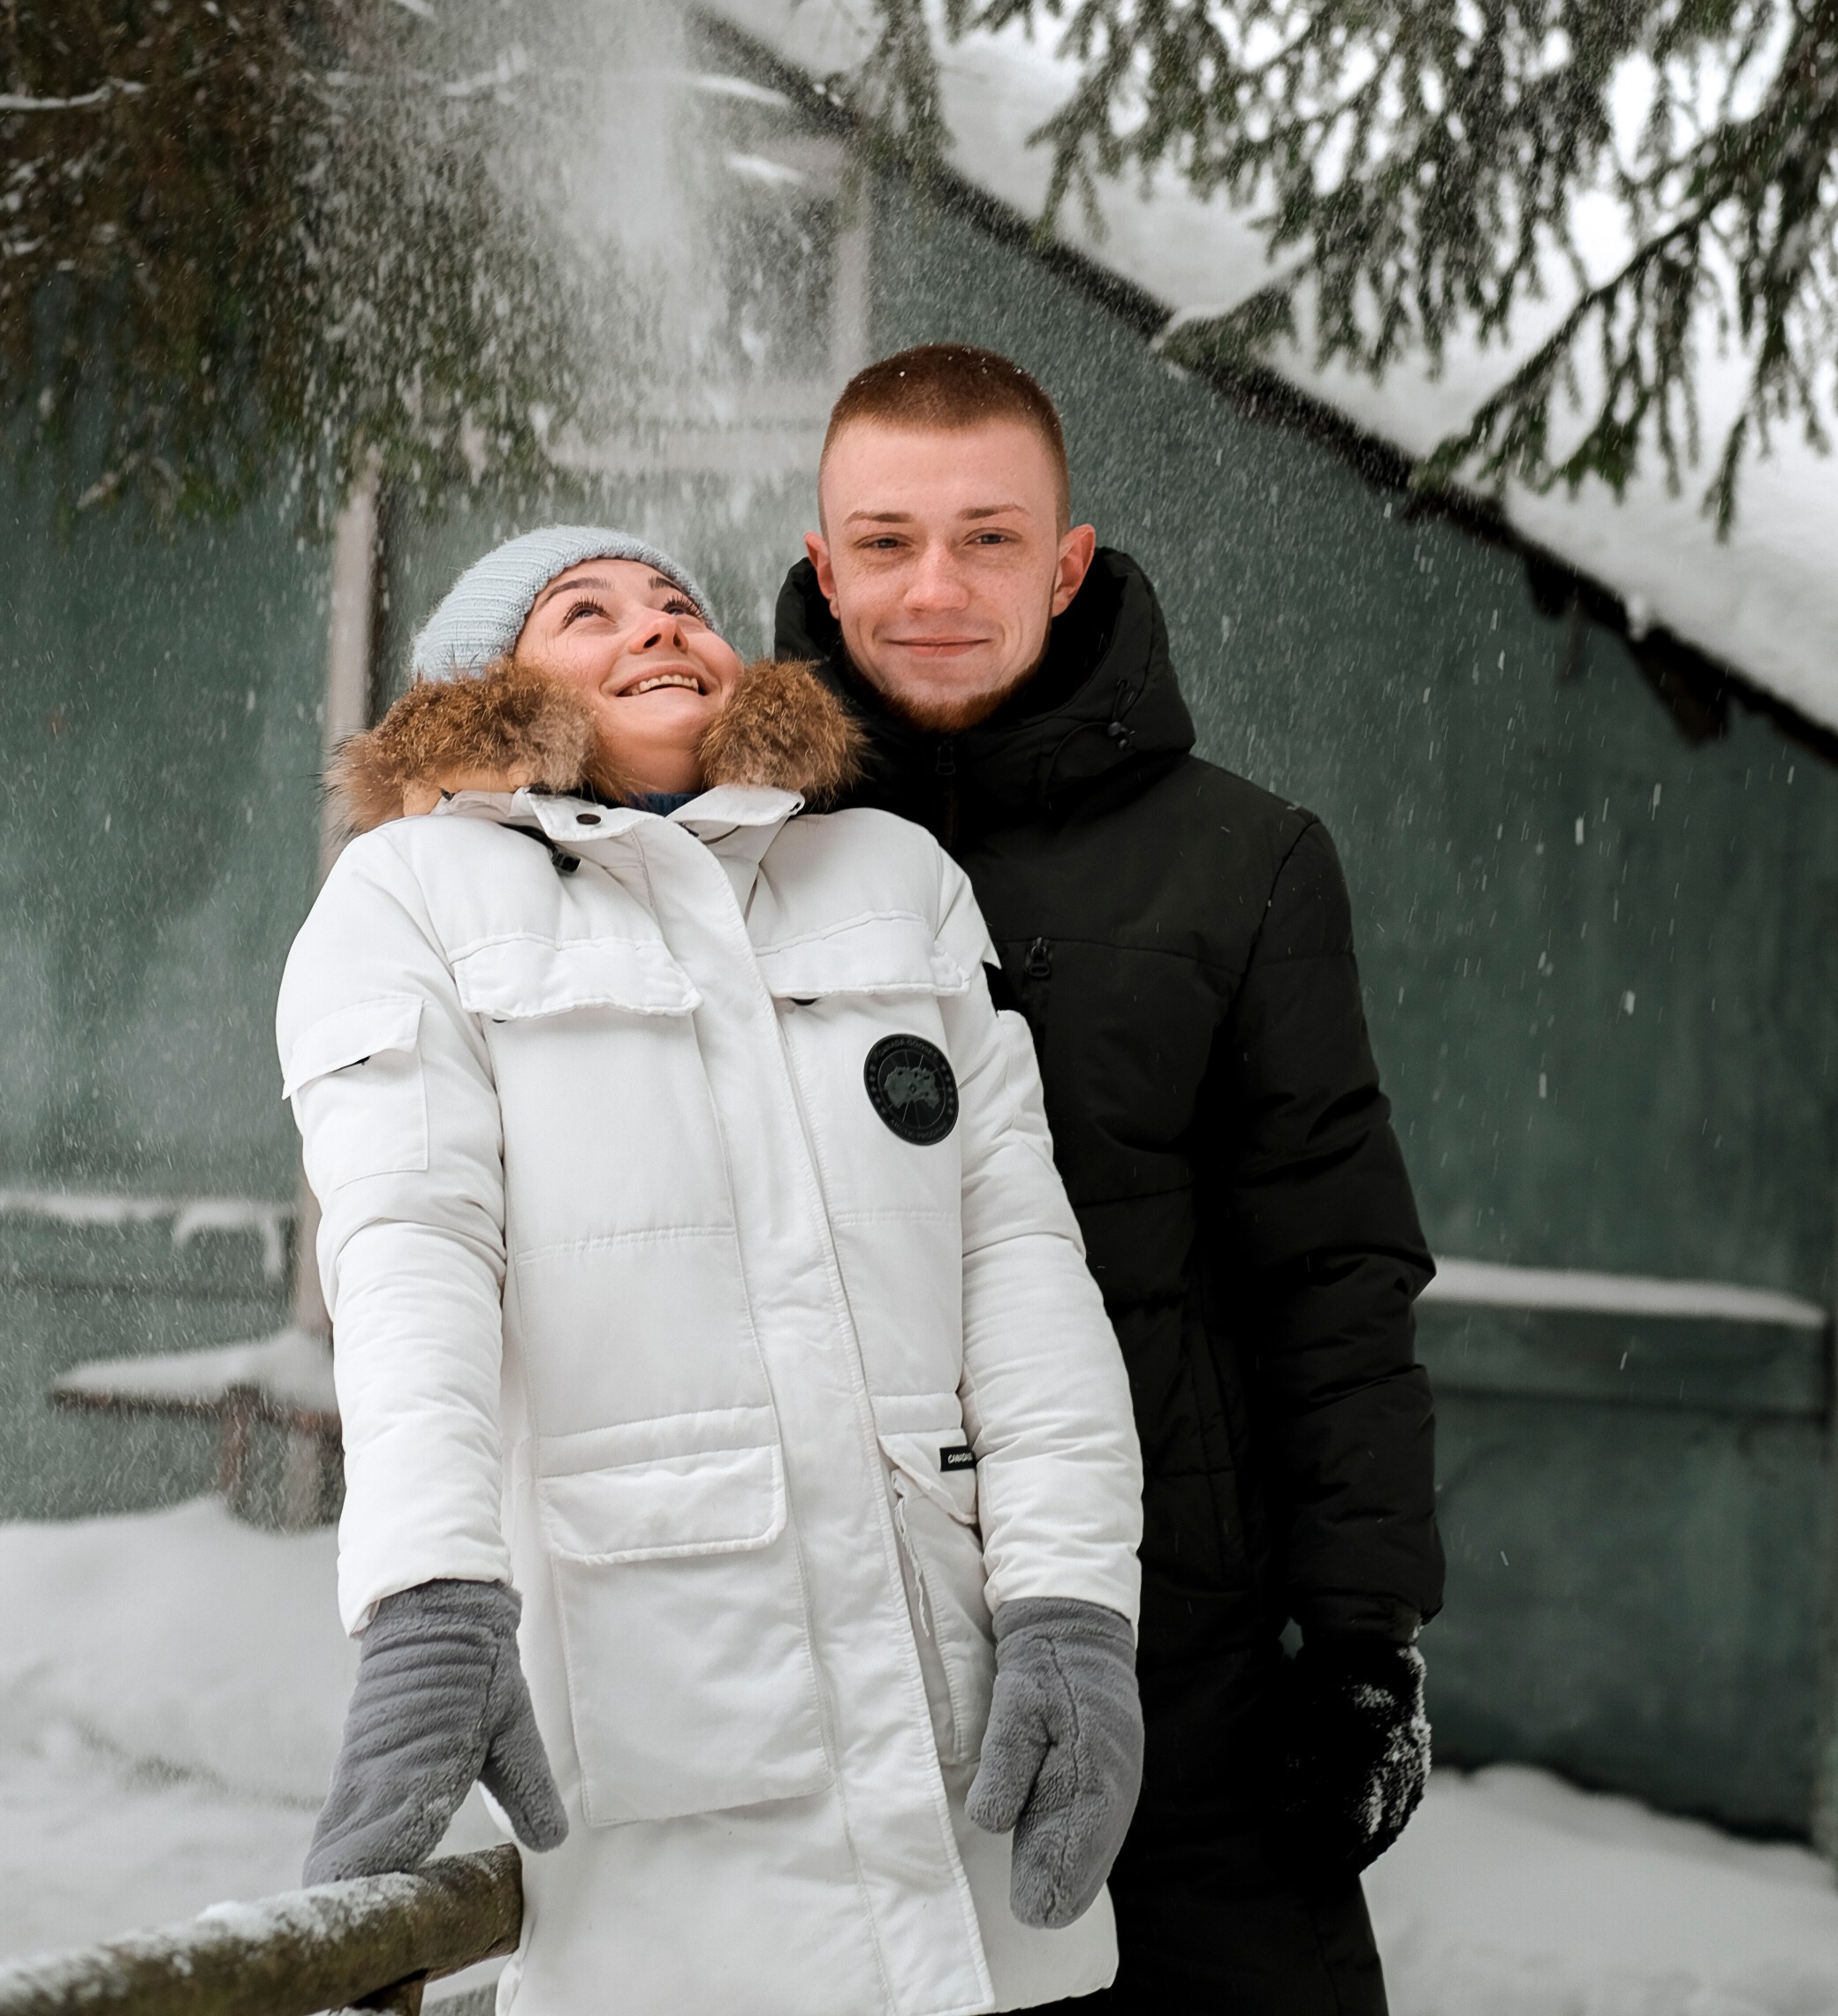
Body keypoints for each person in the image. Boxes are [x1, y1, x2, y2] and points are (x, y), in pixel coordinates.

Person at [282, 525, 1147, 2016]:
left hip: (938, 1717)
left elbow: (1015, 1256)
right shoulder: (410, 894)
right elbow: (408, 1254)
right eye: (587, 612)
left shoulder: (890, 874)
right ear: (487, 686)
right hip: (662, 1716)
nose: (658, 628)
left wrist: (1074, 1605)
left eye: (682, 604)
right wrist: (430, 1598)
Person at [776, 350, 1444, 2016]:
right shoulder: (728, 852)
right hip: (831, 1661)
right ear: (819, 560)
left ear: (1068, 563)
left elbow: (1335, 1270)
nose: (935, 587)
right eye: (887, 542)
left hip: (1188, 1666)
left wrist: (1360, 1640)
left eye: (989, 539)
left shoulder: (1243, 863)